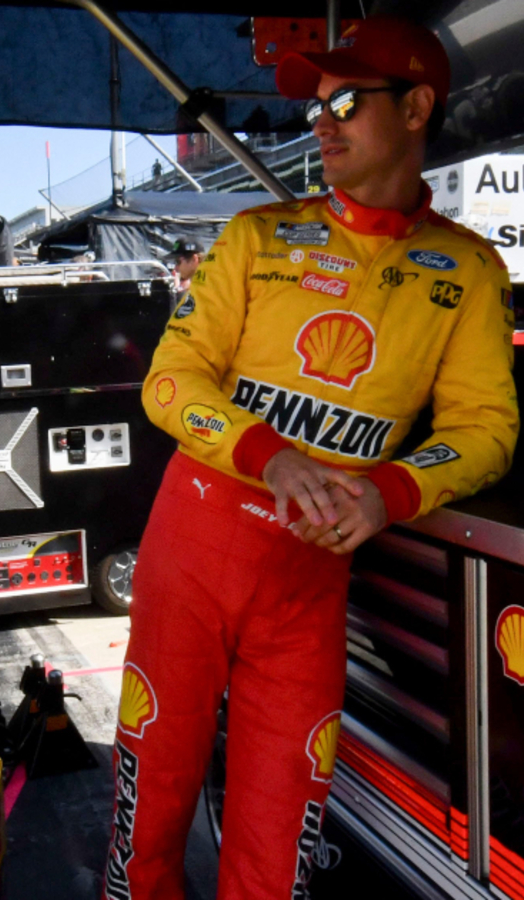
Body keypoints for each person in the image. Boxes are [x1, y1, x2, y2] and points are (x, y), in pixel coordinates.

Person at [109, 18, 517, 900]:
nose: (318, 123)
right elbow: (169, 381)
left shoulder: (469, 269)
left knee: (282, 824)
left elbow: (487, 427)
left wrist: (388, 495)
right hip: (196, 545)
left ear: (415, 108)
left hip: (311, 577)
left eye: (343, 101)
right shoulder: (257, 236)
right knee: (149, 813)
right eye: (314, 105)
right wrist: (270, 459)